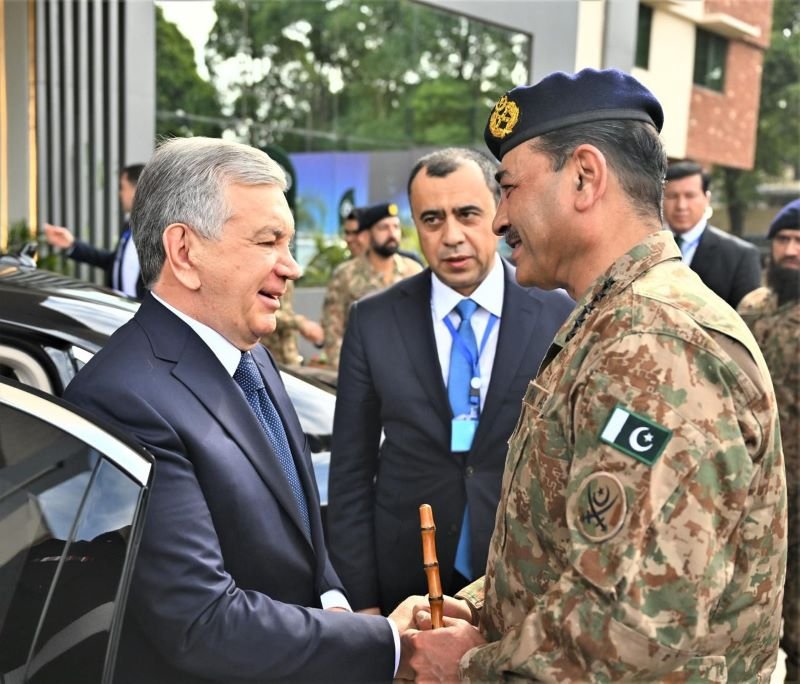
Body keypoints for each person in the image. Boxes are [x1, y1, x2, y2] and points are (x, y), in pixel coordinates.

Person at [394, 68, 786, 682]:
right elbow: (575, 549)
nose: (498, 221)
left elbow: (635, 626)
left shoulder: (656, 342)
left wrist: (467, 666)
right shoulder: (612, 321)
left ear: (583, 177)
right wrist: (473, 606)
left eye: (509, 188)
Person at [63, 137, 399, 683]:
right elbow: (201, 620)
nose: (291, 267)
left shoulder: (249, 353)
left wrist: (336, 605)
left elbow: (301, 536)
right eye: (269, 241)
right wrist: (389, 646)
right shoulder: (123, 398)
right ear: (185, 252)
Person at [327, 147, 573, 615]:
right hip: (406, 583)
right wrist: (362, 602)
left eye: (467, 214)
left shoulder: (556, 313)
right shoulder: (373, 320)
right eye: (433, 220)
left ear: (500, 212)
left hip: (524, 577)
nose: (452, 236)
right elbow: (350, 474)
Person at [738, 198, 800, 683]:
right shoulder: (752, 309)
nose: (791, 250)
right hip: (755, 488)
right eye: (783, 239)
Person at [321, 201, 423, 368]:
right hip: (364, 371)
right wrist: (347, 372)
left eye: (396, 227)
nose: (392, 233)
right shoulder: (345, 275)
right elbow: (333, 331)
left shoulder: (413, 271)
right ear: (367, 235)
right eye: (384, 228)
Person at [663, 160, 761, 308]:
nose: (681, 206)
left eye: (690, 196)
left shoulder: (740, 256)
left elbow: (746, 319)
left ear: (706, 199)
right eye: (672, 196)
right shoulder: (649, 246)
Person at [43, 163, 147, 299]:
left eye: (122, 187)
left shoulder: (159, 230)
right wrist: (72, 244)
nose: (120, 193)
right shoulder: (129, 225)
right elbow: (114, 262)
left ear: (136, 190)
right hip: (121, 310)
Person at [263, 279, 324, 365]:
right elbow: (260, 310)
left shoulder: (288, 277)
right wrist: (300, 323)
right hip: (266, 355)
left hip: (288, 355)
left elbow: (286, 311)